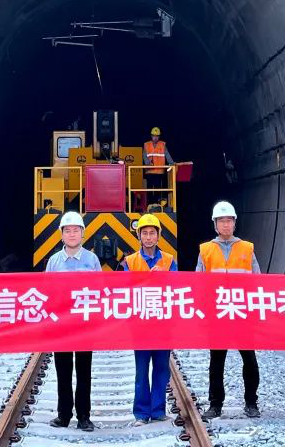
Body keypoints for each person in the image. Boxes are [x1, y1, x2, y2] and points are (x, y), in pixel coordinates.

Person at [196, 201, 261, 419]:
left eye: (229, 220)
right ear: (215, 224)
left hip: (242, 313)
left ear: (234, 223)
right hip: (217, 314)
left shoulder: (247, 248)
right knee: (216, 361)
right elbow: (199, 282)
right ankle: (215, 404)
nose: (226, 224)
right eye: (222, 221)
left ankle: (251, 402)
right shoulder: (205, 250)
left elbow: (257, 281)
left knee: (249, 360)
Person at [45, 212, 101, 432]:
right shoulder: (53, 261)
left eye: (75, 230)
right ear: (61, 235)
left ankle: (84, 416)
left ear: (82, 233)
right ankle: (64, 415)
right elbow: (47, 292)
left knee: (84, 370)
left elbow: (99, 292)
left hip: (85, 325)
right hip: (62, 326)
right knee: (63, 370)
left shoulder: (92, 260)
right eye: (67, 230)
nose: (71, 234)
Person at [121, 214, 176, 424]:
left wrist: (164, 276)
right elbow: (126, 290)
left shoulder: (169, 260)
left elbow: (177, 289)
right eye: (145, 233)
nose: (149, 237)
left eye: (152, 233)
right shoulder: (130, 261)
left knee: (162, 368)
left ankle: (159, 410)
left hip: (163, 323)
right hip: (141, 324)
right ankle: (142, 413)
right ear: (139, 236)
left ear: (158, 236)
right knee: (142, 369)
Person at [142, 127, 174, 208]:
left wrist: (172, 163)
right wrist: (147, 163)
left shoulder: (162, 145)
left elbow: (167, 155)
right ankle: (149, 204)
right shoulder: (146, 144)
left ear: (159, 137)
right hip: (149, 171)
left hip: (159, 172)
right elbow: (145, 156)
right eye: (154, 136)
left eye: (157, 136)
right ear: (151, 136)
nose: (155, 138)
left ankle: (156, 205)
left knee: (157, 189)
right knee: (149, 189)